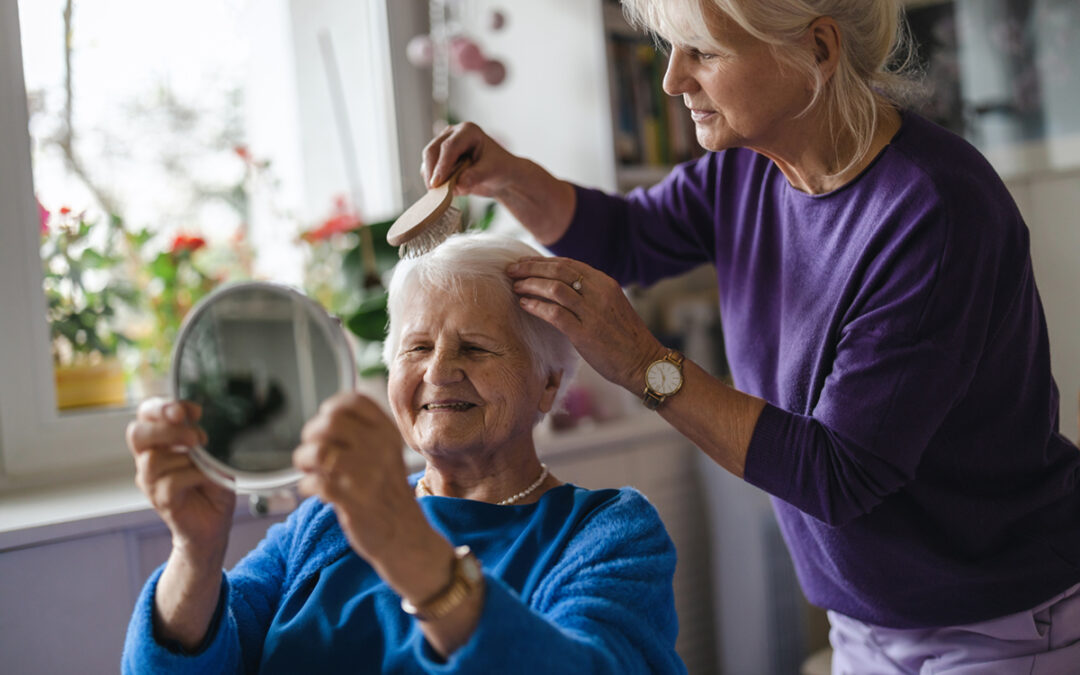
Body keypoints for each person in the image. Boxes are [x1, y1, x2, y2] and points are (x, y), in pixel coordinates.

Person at [420, 1, 1080, 672]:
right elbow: (625, 238)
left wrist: (644, 363)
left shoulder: (934, 212)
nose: (673, 80)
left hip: (1003, 624)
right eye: (672, 50)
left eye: (702, 52)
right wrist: (508, 176)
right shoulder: (748, 168)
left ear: (818, 50)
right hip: (863, 623)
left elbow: (839, 474)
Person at [121, 233, 686, 674]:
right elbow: (187, 660)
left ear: (546, 383)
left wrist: (403, 544)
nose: (438, 372)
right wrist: (194, 552)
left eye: (475, 347)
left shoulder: (606, 532)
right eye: (416, 347)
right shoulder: (323, 523)